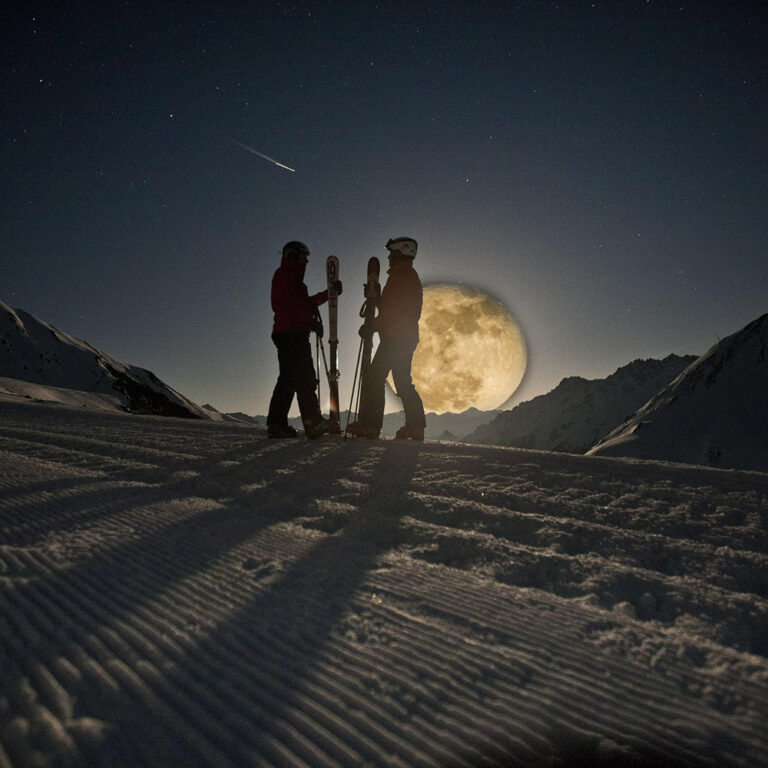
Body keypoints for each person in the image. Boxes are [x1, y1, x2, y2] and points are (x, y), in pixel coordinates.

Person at [347, 236, 426, 440]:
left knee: (375, 376)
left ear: (401, 252)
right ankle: (415, 426)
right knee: (402, 382)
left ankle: (370, 425)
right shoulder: (407, 275)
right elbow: (395, 307)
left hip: (395, 338)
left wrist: (372, 326)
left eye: (392, 253)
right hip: (405, 337)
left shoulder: (402, 276)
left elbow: (393, 311)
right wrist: (379, 299)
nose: (389, 257)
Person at [267, 240, 341, 439]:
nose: (307, 261)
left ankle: (277, 424)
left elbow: (302, 304)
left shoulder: (291, 279)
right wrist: (310, 322)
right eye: (304, 256)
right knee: (305, 378)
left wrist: (328, 294)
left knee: (289, 380)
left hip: (287, 333)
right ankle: (313, 423)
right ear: (293, 255)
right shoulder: (286, 277)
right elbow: (292, 306)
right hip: (293, 334)